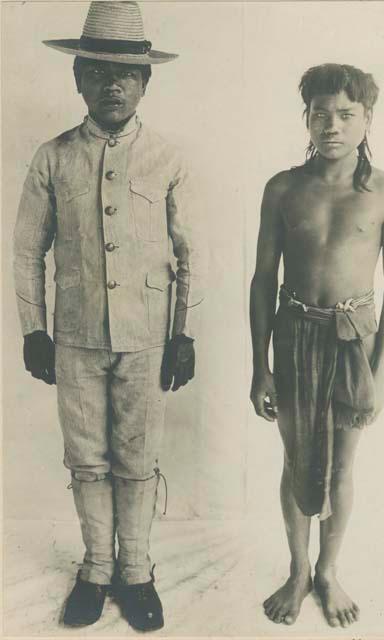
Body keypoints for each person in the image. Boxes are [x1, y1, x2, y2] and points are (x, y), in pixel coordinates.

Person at [13, 1, 205, 631]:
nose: (112, 83)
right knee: (87, 459)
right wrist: (34, 330)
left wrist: (185, 334)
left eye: (127, 73)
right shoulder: (53, 158)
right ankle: (97, 567)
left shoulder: (170, 158)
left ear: (147, 81)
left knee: (137, 457)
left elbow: (191, 253)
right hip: (75, 338)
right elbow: (25, 250)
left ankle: (139, 569)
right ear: (78, 79)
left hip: (148, 337)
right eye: (97, 70)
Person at [249, 63, 384, 628]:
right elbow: (263, 278)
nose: (332, 126)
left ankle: (328, 571)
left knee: (342, 465)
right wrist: (258, 367)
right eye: (321, 114)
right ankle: (297, 571)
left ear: (367, 119)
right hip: (295, 335)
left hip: (354, 344)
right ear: (307, 119)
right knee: (297, 460)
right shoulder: (283, 188)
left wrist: (381, 373)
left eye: (345, 114)